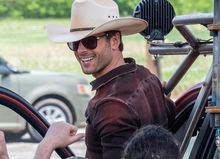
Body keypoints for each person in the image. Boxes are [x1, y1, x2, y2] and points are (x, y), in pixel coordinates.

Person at [1, 0, 176, 158]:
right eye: (75, 43)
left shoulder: (110, 106)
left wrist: (48, 143)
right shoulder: (146, 76)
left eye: (90, 41)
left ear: (115, 41)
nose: (81, 50)